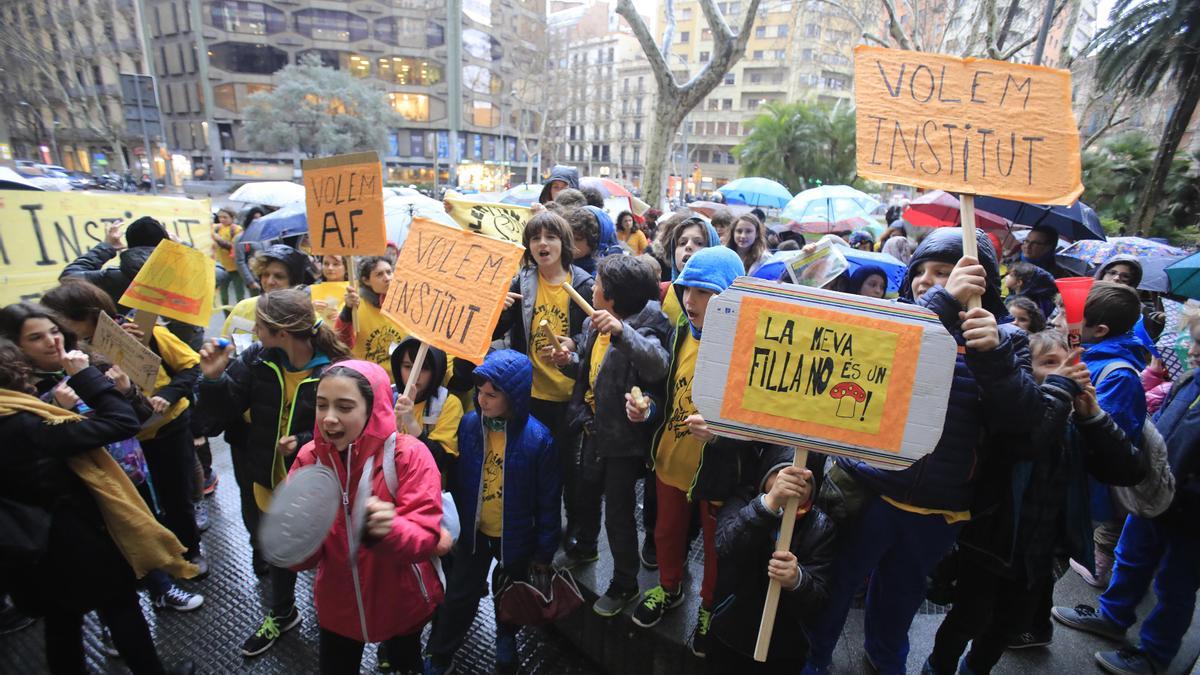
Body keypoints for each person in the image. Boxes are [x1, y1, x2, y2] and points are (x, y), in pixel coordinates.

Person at [805, 228, 1043, 674]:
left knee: (900, 597)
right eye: (923, 272)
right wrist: (943, 302)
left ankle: (885, 658)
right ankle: (815, 658)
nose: (930, 281)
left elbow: (1025, 422)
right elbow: (888, 349)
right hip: (870, 486)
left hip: (939, 506)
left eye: (946, 273)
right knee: (837, 586)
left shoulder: (1005, 340)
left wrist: (993, 358)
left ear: (983, 285)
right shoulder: (898, 317)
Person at [924, 331, 1145, 673]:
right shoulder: (1009, 417)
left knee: (1007, 626)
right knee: (967, 619)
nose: (1064, 372)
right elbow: (1029, 441)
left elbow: (1129, 470)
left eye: (1069, 364)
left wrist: (1095, 418)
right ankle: (938, 667)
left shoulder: (1078, 424)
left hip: (1042, 554)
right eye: (1050, 363)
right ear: (1028, 372)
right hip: (989, 545)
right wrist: (1057, 389)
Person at [0, 338, 196, 675]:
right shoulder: (26, 424)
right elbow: (120, 423)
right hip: (70, 539)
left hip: (24, 547)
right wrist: (86, 376)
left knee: (61, 622)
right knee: (120, 605)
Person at [627, 246, 770, 658]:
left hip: (719, 475)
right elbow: (664, 392)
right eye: (687, 288)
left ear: (730, 297)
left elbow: (761, 426)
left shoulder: (750, 349)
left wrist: (722, 433)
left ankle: (709, 606)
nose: (690, 300)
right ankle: (669, 587)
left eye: (705, 292)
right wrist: (647, 409)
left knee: (715, 546)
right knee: (666, 532)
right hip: (671, 460)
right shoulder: (679, 332)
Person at [196, 288, 351, 657]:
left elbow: (349, 427)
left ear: (281, 331)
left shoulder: (336, 369)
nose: (254, 329)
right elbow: (219, 418)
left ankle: (336, 618)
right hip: (267, 478)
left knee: (328, 556)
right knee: (279, 552)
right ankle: (282, 613)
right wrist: (215, 380)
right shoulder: (257, 358)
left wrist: (302, 440)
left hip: (318, 486)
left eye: (261, 324)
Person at [39, 280, 207, 613]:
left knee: (176, 496)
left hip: (165, 428)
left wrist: (167, 395)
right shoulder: (69, 355)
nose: (54, 333)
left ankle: (189, 552)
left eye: (59, 322)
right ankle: (158, 568)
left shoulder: (145, 332)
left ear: (86, 315)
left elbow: (191, 367)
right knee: (139, 509)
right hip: (117, 447)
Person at [1051, 315, 1200, 675]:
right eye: (1195, 342)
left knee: (1174, 583)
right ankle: (1113, 616)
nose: (1192, 352)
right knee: (1131, 556)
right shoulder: (1190, 379)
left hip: (1193, 511)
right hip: (1155, 491)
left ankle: (1154, 654)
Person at [288, 361, 445, 674]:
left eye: (344, 407)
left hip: (400, 602)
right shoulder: (310, 459)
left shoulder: (408, 455)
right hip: (338, 606)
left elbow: (426, 537)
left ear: (373, 408)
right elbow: (299, 559)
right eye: (322, 405)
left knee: (405, 662)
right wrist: (298, 535)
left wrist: (387, 531)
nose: (329, 418)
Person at [424, 350, 560, 675]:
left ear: (513, 397)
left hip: (516, 536)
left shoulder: (538, 441)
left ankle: (505, 638)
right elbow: (457, 480)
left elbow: (548, 500)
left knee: (508, 592)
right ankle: (442, 650)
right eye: (480, 392)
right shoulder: (471, 426)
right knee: (460, 593)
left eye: (491, 394)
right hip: (474, 532)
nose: (482, 400)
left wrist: (544, 549)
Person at [561, 255, 672, 617]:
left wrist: (623, 333)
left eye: (597, 284)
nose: (591, 288)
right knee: (586, 493)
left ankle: (624, 582)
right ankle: (586, 546)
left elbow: (657, 362)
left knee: (620, 515)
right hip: (594, 429)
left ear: (614, 297)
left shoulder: (647, 326)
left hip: (623, 443)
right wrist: (568, 360)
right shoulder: (596, 322)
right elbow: (591, 370)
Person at [492, 211, 594, 537]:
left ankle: (578, 533)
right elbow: (495, 330)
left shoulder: (583, 285)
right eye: (535, 238)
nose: (542, 243)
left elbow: (594, 341)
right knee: (534, 468)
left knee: (570, 472)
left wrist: (573, 345)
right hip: (530, 395)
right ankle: (539, 530)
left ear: (564, 244)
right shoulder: (522, 282)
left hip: (569, 399)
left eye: (550, 237)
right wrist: (500, 308)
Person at [710, 452, 835, 671]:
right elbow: (726, 547)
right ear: (765, 471)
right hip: (729, 630)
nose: (790, 484)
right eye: (779, 473)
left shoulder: (821, 527)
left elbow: (818, 600)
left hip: (784, 648)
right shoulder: (741, 501)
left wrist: (798, 580)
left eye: (803, 479)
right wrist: (767, 505)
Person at [1069, 282, 1150, 589]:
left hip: (1090, 480)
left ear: (1100, 330)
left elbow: (1106, 437)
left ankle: (1096, 569)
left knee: (1093, 531)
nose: (1060, 317)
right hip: (1079, 474)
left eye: (1069, 313)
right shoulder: (1088, 353)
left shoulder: (1118, 374)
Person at [390, 337, 465, 485]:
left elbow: (441, 461)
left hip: (428, 490)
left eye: (423, 368)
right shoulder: (389, 397)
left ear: (436, 370)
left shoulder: (448, 404)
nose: (415, 375)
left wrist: (411, 423)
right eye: (407, 366)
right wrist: (395, 427)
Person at [222, 245, 313, 346]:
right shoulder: (243, 308)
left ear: (293, 282)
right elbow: (231, 351)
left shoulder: (304, 314)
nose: (270, 281)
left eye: (279, 276)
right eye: (265, 274)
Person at [335, 256, 406, 377]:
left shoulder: (403, 302)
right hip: (365, 380)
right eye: (379, 274)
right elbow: (342, 341)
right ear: (366, 280)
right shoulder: (354, 305)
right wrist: (347, 310)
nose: (387, 278)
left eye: (389, 272)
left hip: (398, 381)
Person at [566, 205, 619, 275]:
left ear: (594, 241)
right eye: (568, 236)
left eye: (577, 239)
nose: (569, 243)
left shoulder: (606, 275)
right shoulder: (562, 262)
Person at [213, 208, 246, 308]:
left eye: (225, 217)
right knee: (223, 296)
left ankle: (241, 315)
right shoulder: (216, 228)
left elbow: (234, 247)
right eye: (220, 217)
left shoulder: (237, 230)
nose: (222, 219)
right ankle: (227, 317)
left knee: (239, 294)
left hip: (235, 267)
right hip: (222, 267)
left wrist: (218, 239)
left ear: (232, 218)